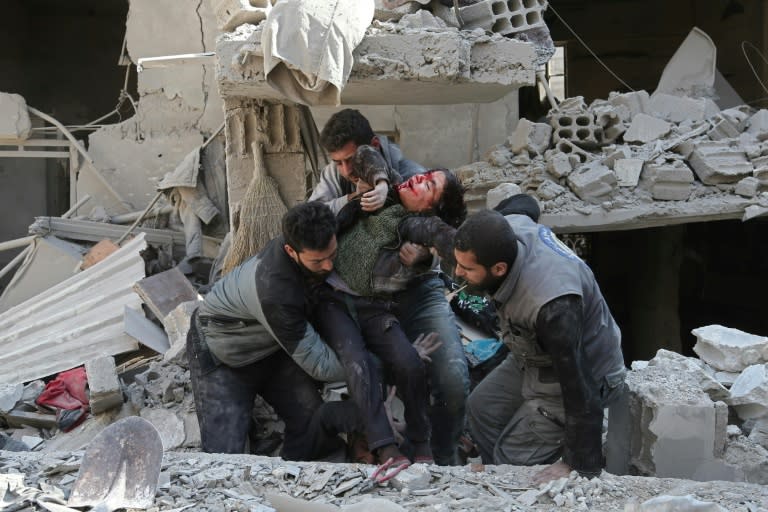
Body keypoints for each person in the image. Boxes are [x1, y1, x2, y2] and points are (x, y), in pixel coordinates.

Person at [309, 109, 470, 465]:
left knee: (452, 377)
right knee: (367, 367)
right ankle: (375, 452)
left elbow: (437, 237)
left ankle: (444, 460)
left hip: (416, 289)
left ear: (375, 147)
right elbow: (311, 218)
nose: (346, 172)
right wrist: (355, 200)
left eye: (351, 160)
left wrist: (421, 258)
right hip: (364, 297)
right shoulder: (337, 178)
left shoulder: (414, 178)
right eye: (337, 163)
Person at [451, 208, 627, 483]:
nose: (457, 272)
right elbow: (525, 203)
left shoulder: (552, 308)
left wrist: (576, 461)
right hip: (534, 355)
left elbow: (581, 387)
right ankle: (497, 472)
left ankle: (513, 474)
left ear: (499, 269)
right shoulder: (512, 226)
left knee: (511, 459)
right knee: (480, 409)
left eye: (467, 268)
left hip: (586, 373)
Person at [187, 202, 356, 459]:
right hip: (223, 351)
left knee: (313, 424)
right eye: (318, 261)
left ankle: (290, 473)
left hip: (272, 348)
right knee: (224, 456)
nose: (328, 267)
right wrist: (368, 365)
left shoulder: (311, 236)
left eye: (332, 255)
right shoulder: (275, 290)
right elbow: (321, 366)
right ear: (291, 250)